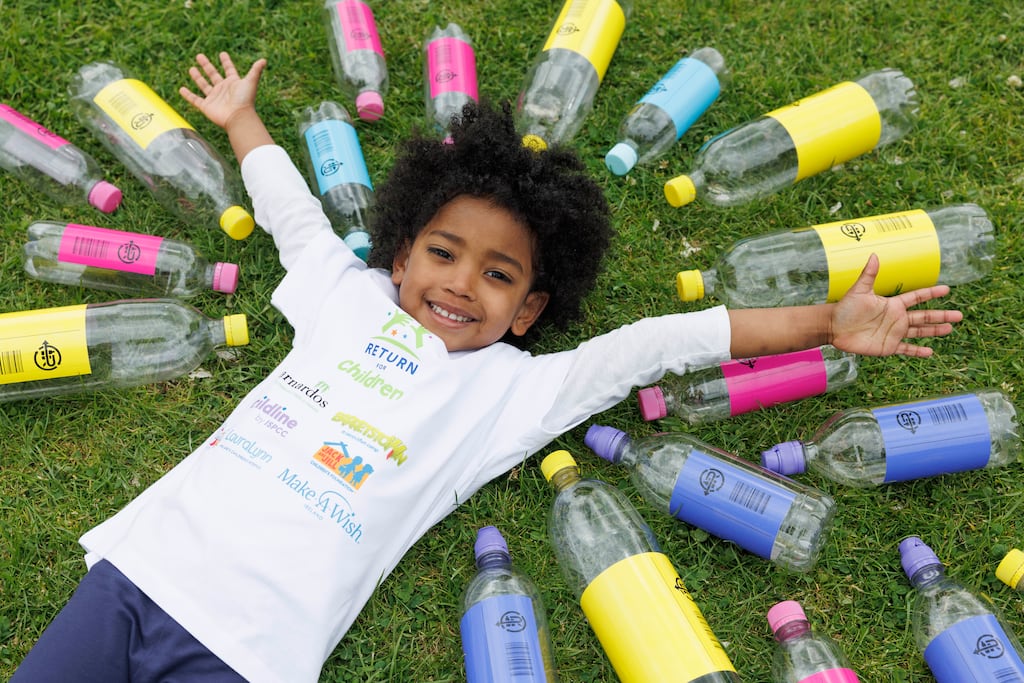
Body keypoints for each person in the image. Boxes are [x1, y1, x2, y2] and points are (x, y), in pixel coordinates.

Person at [11, 52, 962, 683]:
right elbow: (292, 213)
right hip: (140, 574)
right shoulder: (345, 298)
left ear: (531, 310)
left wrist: (824, 323)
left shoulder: (515, 392)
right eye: (443, 252)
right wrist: (241, 123)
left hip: (253, 651)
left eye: (500, 274)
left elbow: (663, 346)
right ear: (397, 253)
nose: (462, 283)